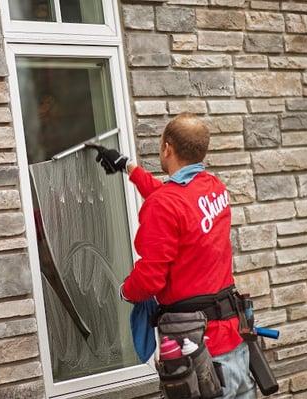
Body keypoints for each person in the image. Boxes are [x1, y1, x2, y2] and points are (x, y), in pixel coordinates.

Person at [92, 113, 256, 399]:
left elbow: (149, 280)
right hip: (234, 339)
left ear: (167, 148)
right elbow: (175, 202)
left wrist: (124, 291)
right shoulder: (214, 187)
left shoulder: (165, 205)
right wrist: (128, 167)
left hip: (200, 357)